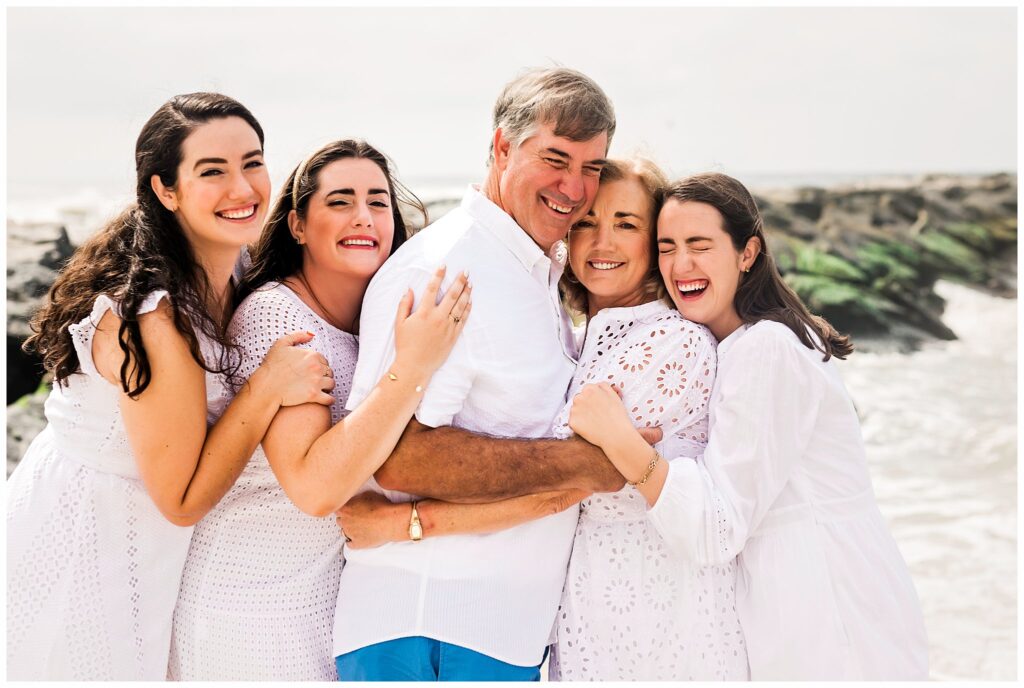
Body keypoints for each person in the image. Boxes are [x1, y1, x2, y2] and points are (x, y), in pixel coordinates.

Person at [338, 159, 750, 681]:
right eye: (585, 224)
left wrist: (401, 523)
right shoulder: (584, 336)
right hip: (579, 619)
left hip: (654, 613)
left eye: (627, 224)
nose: (603, 243)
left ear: (657, 243)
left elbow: (562, 481)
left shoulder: (670, 341)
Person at [6, 93, 333, 680]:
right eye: (212, 171)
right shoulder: (154, 319)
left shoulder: (237, 266)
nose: (243, 187)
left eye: (252, 162)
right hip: (82, 540)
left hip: (149, 546)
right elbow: (181, 501)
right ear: (166, 191)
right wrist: (265, 389)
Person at [331, 67, 636, 681]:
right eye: (555, 159)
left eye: (592, 167)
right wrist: (582, 464)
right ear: (501, 148)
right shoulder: (448, 269)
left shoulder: (530, 268)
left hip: (501, 634)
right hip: (430, 629)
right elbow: (400, 457)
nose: (575, 188)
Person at [565, 172, 929, 679]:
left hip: (830, 616)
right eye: (667, 247)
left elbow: (715, 528)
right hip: (794, 609)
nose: (681, 265)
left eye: (700, 245)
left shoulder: (767, 348)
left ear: (747, 253)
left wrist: (620, 439)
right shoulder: (733, 346)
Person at [168, 139, 470, 680]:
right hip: (251, 607)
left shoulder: (366, 329)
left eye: (379, 202)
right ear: (297, 225)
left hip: (322, 604)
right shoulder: (277, 317)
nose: (364, 217)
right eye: (340, 201)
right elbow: (316, 489)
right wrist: (415, 366)